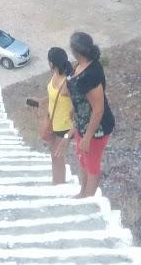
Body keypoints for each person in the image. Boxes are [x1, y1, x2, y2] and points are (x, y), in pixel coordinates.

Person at [67, 31, 114, 198]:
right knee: (82, 160)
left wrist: (87, 137)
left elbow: (98, 109)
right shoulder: (78, 66)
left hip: (96, 128)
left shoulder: (91, 73)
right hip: (82, 124)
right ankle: (82, 193)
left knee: (91, 164)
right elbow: (80, 96)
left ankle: (88, 201)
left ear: (76, 50)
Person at [44, 47, 75, 184]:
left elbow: (77, 102)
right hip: (53, 122)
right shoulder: (55, 75)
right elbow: (52, 96)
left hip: (64, 126)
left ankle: (59, 184)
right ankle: (56, 181)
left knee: (57, 155)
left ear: (51, 64)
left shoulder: (67, 83)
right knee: (54, 154)